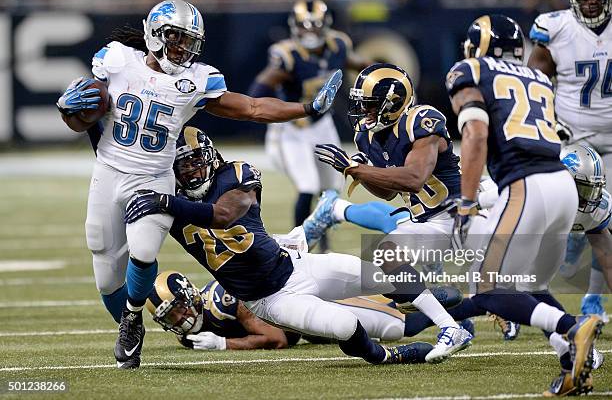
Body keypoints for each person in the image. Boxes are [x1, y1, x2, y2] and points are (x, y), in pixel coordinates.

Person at [56, 0, 343, 369]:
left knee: (143, 251)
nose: (182, 48)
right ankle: (128, 317)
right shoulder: (117, 60)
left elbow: (252, 108)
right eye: (174, 38)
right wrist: (69, 112)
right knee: (105, 264)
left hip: (154, 177)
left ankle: (130, 320)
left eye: (188, 40)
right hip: (109, 172)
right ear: (154, 35)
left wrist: (305, 109)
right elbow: (84, 122)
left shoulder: (196, 79)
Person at [124, 126, 470, 365]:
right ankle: (384, 356)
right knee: (354, 327)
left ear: (211, 156)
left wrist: (165, 203)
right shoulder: (169, 203)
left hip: (296, 265)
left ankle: (448, 323)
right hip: (269, 300)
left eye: (197, 161)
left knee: (389, 275)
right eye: (183, 167)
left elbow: (224, 214)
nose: (192, 173)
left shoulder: (236, 174)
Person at [446, 14, 604, 396]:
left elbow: (477, 134)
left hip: (525, 185)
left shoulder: (469, 70)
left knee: (487, 290)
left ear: (476, 48)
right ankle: (573, 362)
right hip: (562, 187)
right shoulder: (536, 77)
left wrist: (466, 202)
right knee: (530, 285)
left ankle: (571, 326)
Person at [313, 63, 474, 360]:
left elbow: (414, 179)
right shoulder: (368, 134)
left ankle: (560, 326)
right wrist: (363, 173)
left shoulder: (421, 121)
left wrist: (355, 168)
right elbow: (388, 192)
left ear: (393, 102)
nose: (364, 112)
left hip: (462, 215)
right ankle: (452, 327)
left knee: (513, 283)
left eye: (370, 105)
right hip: (431, 221)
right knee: (385, 259)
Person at [248, 0, 370, 251]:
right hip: (293, 128)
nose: (310, 32)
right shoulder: (287, 55)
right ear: (294, 27)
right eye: (305, 26)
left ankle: (322, 244)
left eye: (315, 26)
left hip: (322, 125)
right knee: (307, 187)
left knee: (331, 187)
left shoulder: (338, 45)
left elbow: (362, 65)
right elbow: (258, 89)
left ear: (326, 26)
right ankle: (298, 246)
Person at [528, 0, 612, 316]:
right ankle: (530, 289)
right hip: (572, 138)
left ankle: (594, 298)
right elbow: (534, 84)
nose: (591, 3)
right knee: (559, 218)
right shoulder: (556, 28)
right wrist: (545, 124)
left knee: (603, 224)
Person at [146, 271, 465, 350]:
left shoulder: (224, 300)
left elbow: (277, 338)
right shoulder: (190, 334)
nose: (179, 319)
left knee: (398, 328)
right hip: (306, 325)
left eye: (177, 310)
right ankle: (414, 300)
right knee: (386, 320)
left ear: (190, 297)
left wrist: (223, 344)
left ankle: (467, 306)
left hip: (309, 303)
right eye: (169, 318)